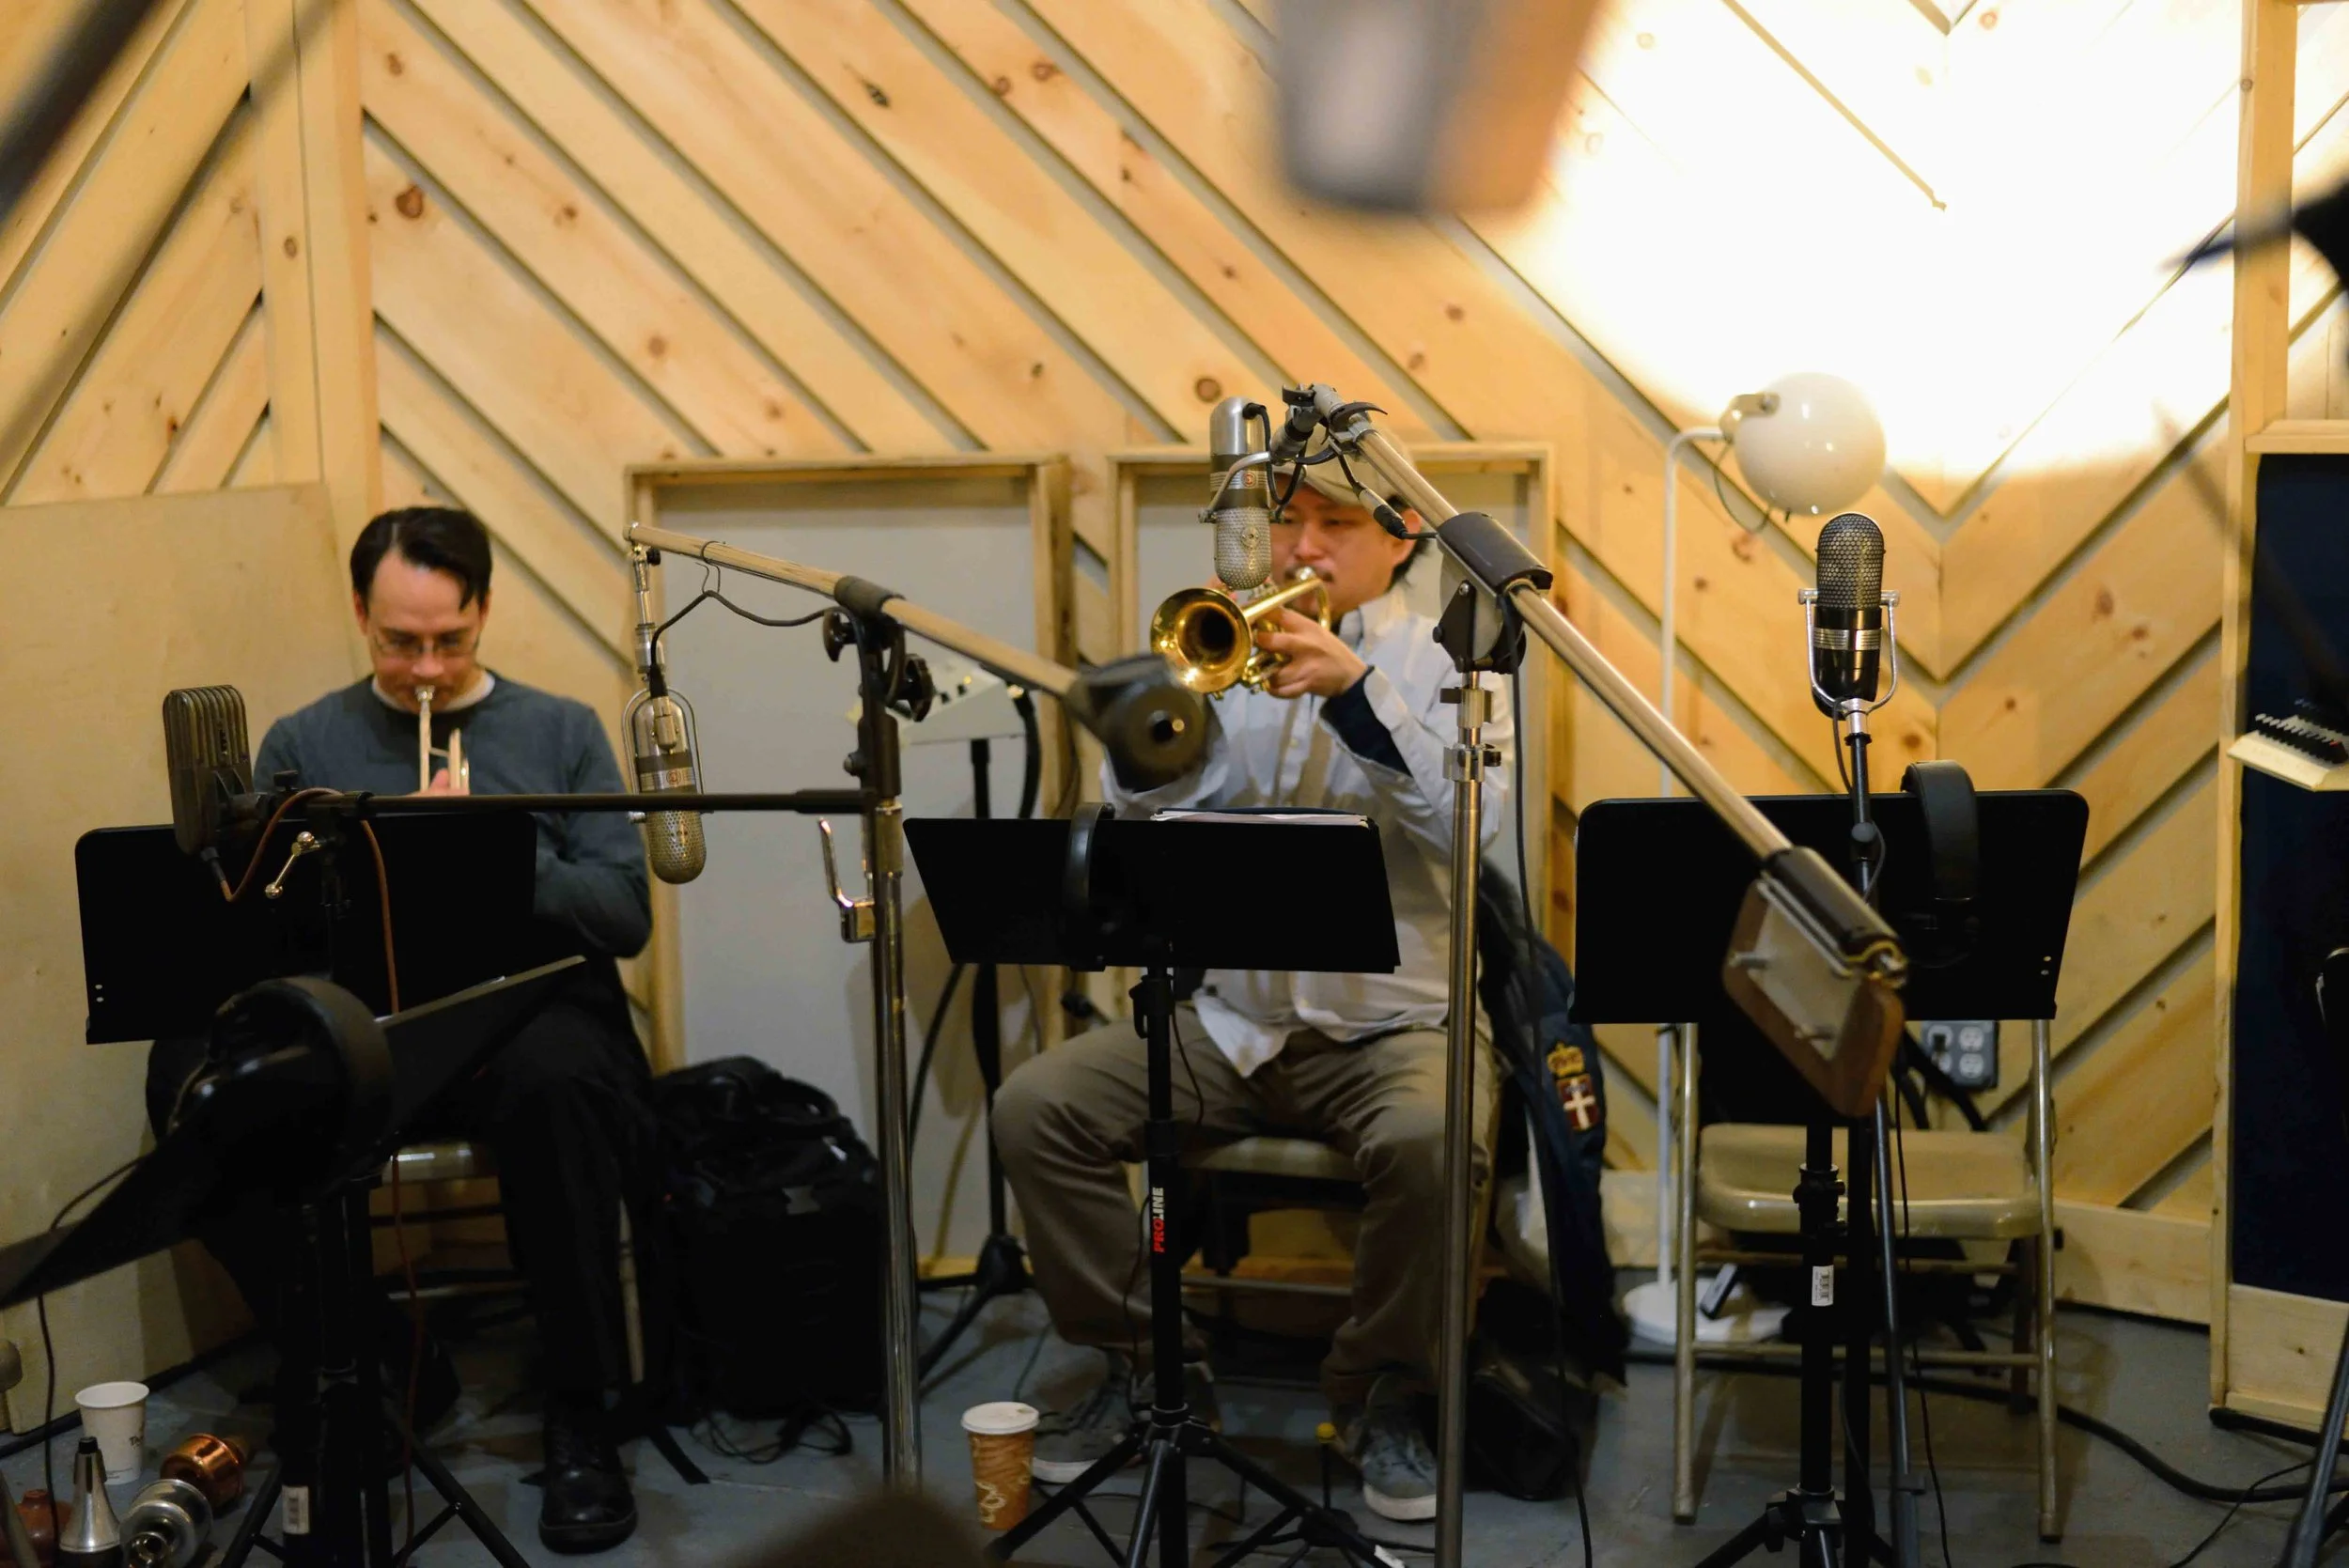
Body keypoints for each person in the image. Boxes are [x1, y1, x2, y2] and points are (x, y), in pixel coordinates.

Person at [991, 455, 1511, 1524]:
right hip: (1232, 1021)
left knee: (1432, 1139)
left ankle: (1379, 1393)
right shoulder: (1226, 656)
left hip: (1392, 1025)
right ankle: (1151, 1364)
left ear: (1399, 538)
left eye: (1332, 524)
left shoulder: (1453, 663)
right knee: (1036, 1111)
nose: (1300, 550)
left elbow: (1474, 830)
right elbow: (1162, 818)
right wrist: (1148, 745)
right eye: (1287, 524)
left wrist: (1354, 697)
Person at [144, 506, 655, 1555]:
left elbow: (625, 913)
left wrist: (497, 848)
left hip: (519, 1013)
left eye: (449, 640)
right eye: (398, 641)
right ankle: (373, 1358)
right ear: (360, 616)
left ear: (483, 613)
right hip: (372, 1019)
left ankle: (581, 1412)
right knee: (194, 1084)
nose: (424, 667)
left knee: (558, 1081)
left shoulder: (558, 729)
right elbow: (259, 927)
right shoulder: (305, 740)